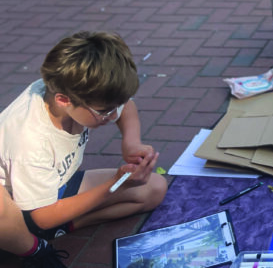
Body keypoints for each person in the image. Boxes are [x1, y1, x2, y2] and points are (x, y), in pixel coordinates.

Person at [0, 32, 167, 266]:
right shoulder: (30, 141)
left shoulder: (76, 91)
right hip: (20, 211)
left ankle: (65, 225)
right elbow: (44, 216)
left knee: (155, 187)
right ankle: (32, 243)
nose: (112, 115)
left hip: (54, 188)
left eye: (115, 107)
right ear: (64, 100)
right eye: (104, 111)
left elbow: (126, 106)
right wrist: (116, 185)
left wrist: (131, 142)